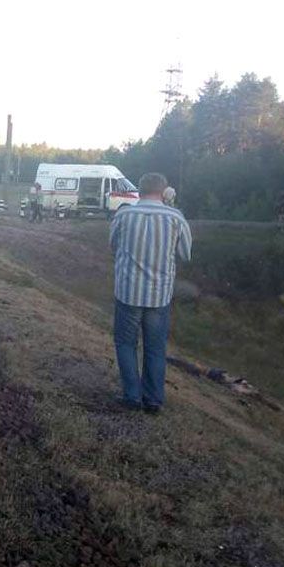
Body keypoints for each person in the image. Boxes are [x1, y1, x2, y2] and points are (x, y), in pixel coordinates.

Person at [109, 172, 193, 414]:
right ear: (165, 190)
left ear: (140, 189)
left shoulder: (124, 215)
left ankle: (132, 396)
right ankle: (153, 399)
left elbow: (113, 246)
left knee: (126, 344)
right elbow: (186, 254)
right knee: (155, 348)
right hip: (159, 295)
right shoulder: (176, 217)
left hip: (128, 291)